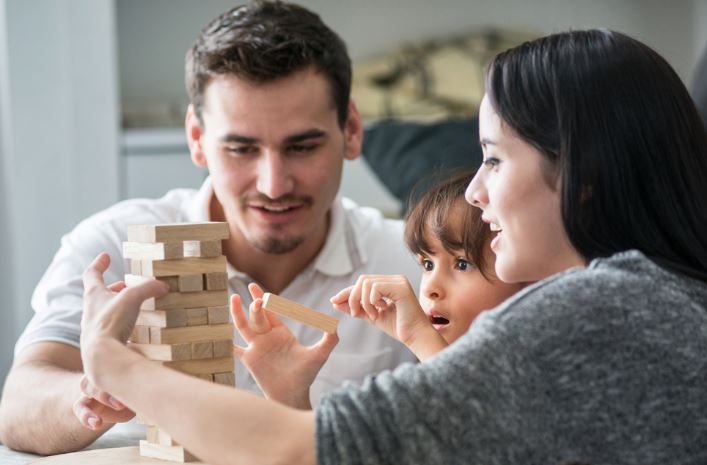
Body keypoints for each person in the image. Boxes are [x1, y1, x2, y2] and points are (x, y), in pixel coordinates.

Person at [76, 28, 707, 464]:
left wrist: (118, 365)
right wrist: (294, 401)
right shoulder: (662, 300)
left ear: (584, 178)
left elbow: (309, 450)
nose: (478, 193)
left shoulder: (601, 312)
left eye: (493, 160)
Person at [0, 0, 421, 454]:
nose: (274, 184)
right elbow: (19, 407)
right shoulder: (114, 245)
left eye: (302, 146)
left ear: (352, 130)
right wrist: (101, 388)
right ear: (197, 140)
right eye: (242, 149)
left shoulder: (411, 265)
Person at [230, 170, 524, 407]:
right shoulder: (419, 383)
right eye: (427, 264)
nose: (431, 287)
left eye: (462, 264)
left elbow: (484, 421)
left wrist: (420, 337)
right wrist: (291, 397)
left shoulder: (530, 369)